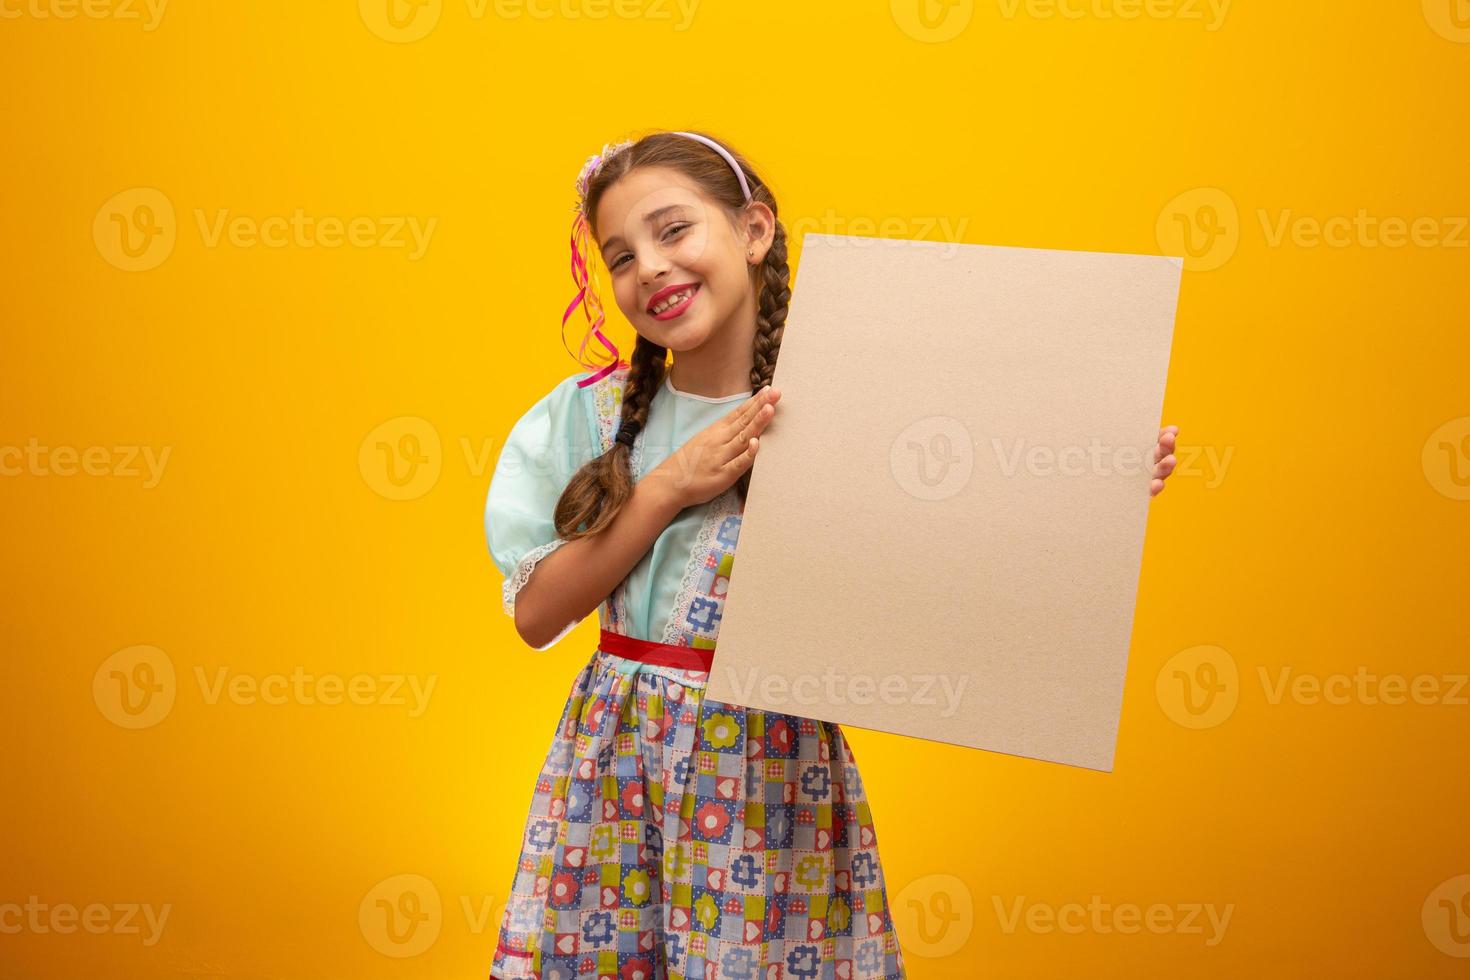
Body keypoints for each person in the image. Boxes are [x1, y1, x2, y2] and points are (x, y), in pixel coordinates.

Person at [484, 129, 1180, 980]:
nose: (651, 269)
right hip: (614, 766)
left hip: (771, 779)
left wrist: (1083, 492)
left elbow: (943, 566)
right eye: (621, 256)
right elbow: (536, 615)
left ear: (754, 231)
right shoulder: (589, 417)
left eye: (674, 231)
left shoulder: (844, 411)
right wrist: (667, 486)